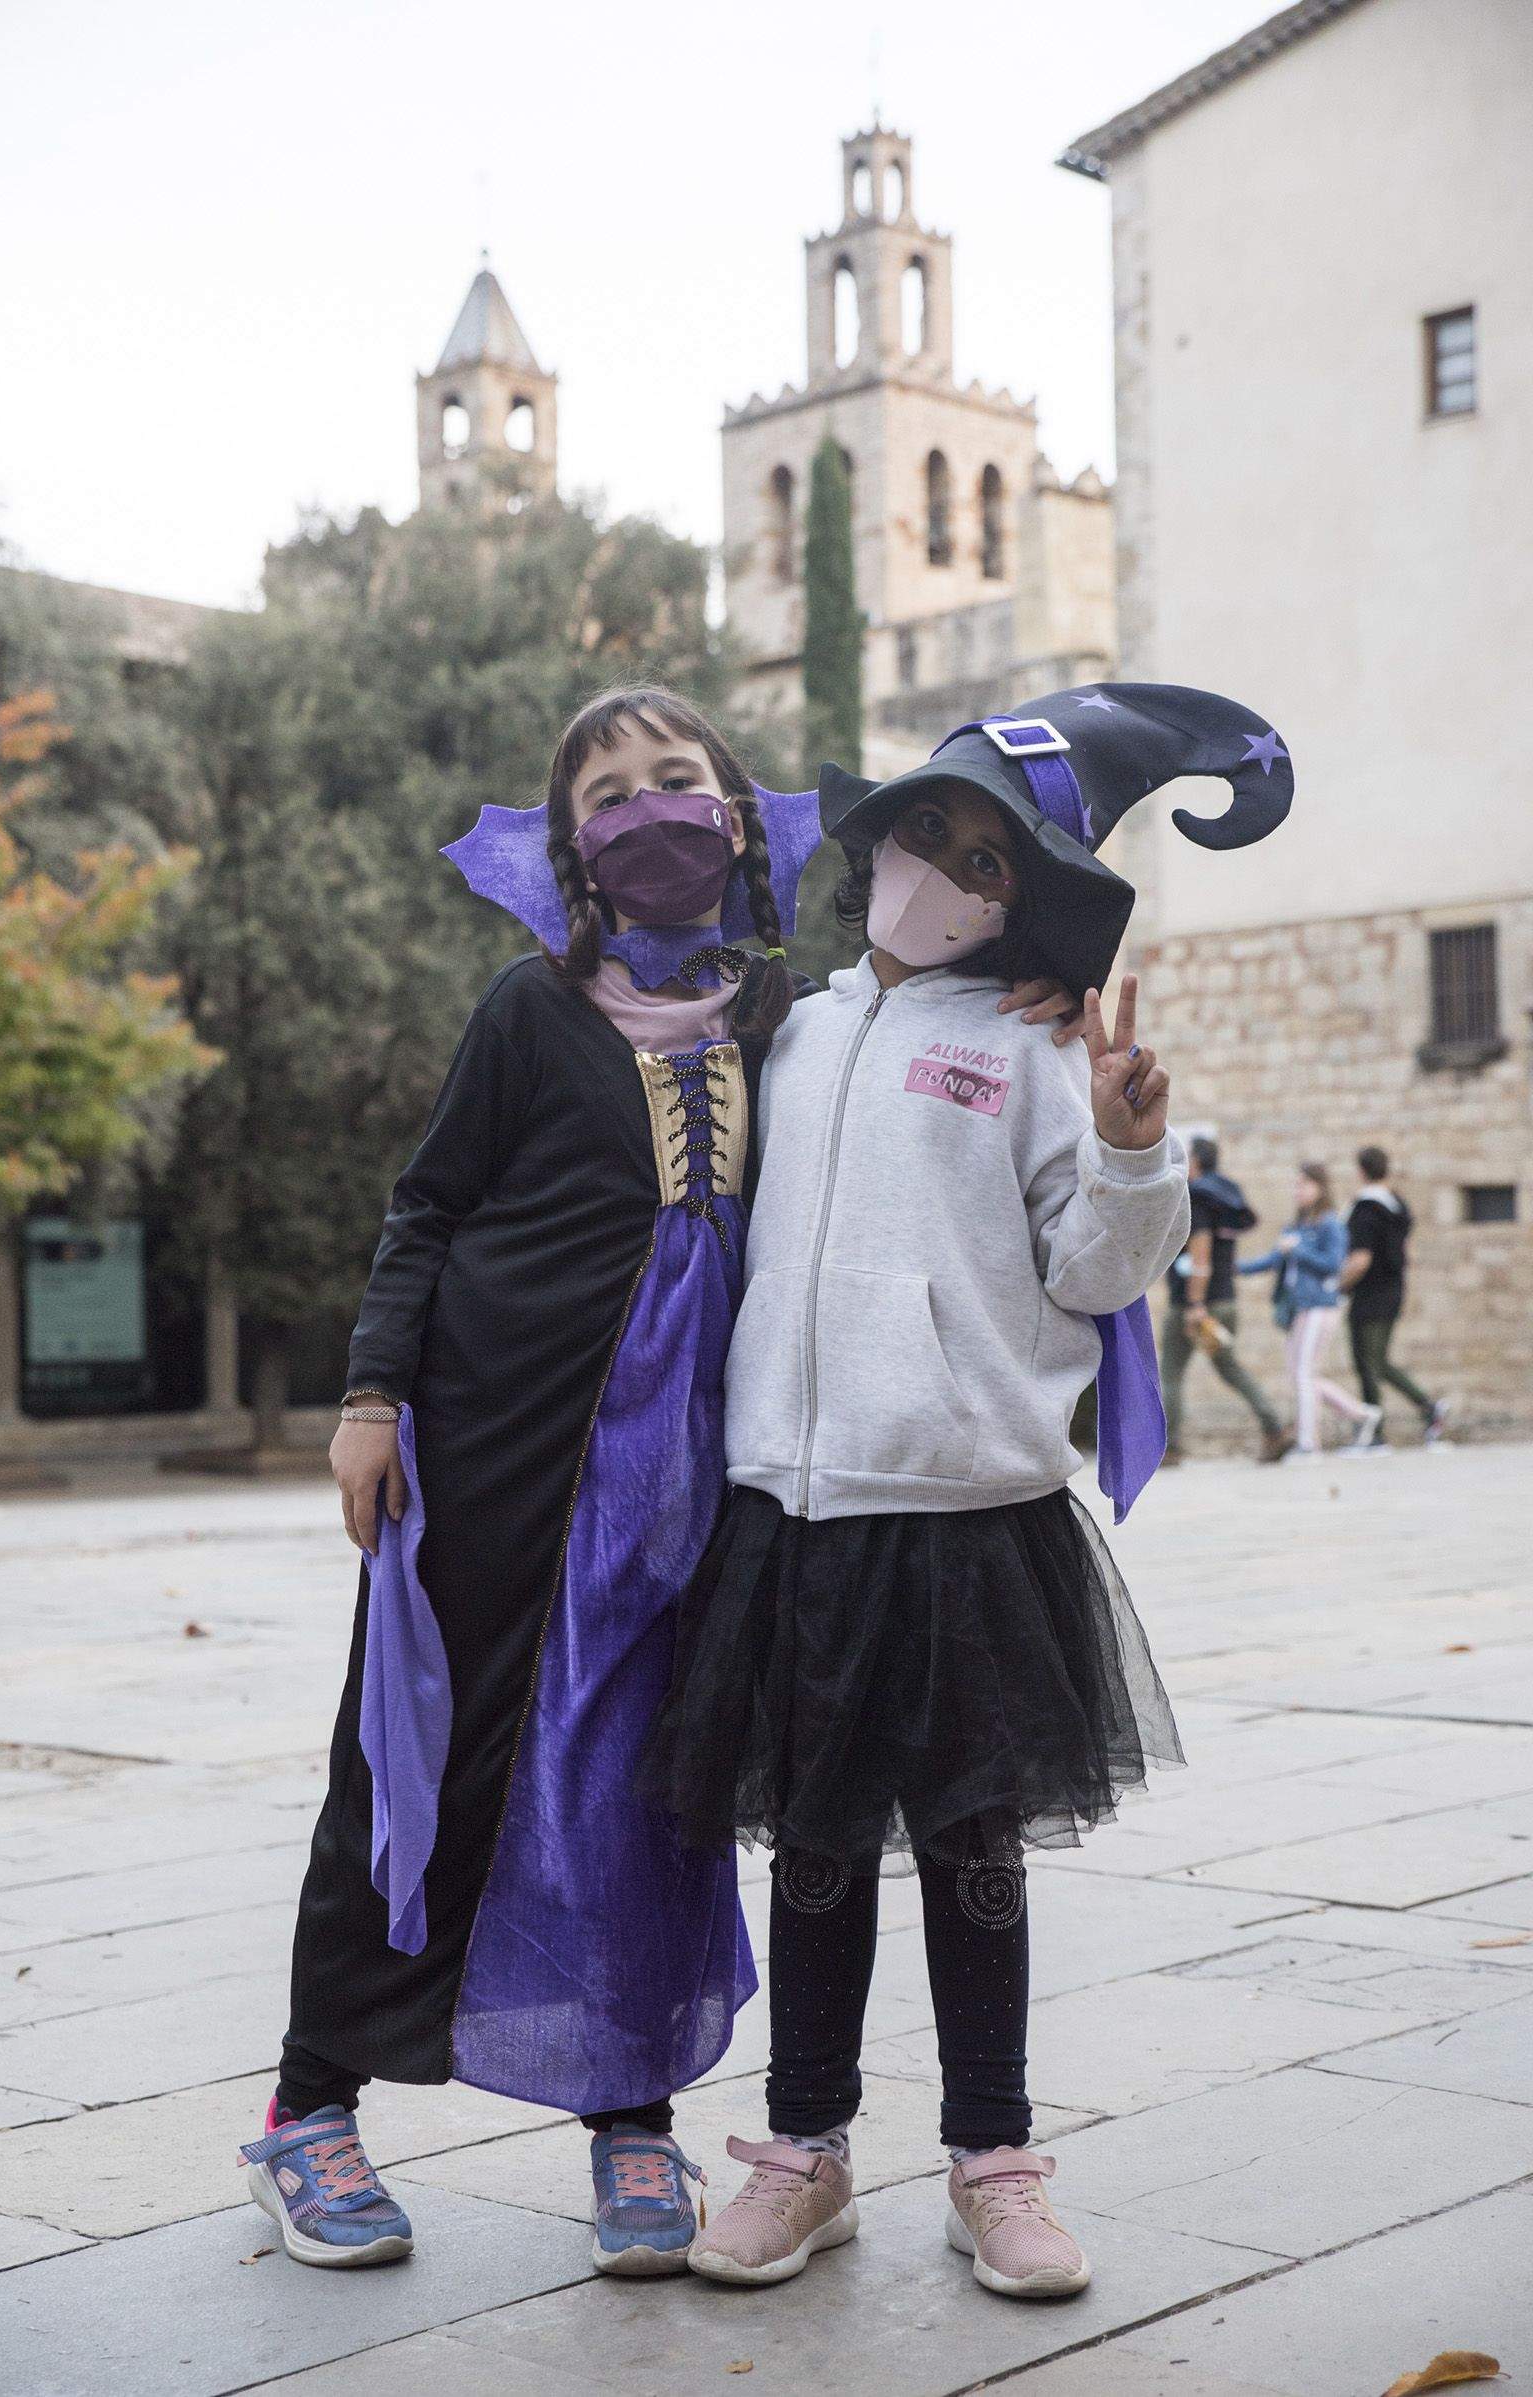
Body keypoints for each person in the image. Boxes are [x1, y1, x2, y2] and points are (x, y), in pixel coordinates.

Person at [238, 685, 1085, 2280]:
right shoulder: (525, 1010)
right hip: (498, 1461)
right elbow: (426, 1210)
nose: (649, 809)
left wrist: (1032, 978)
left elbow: (916, 1056)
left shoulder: (788, 1015)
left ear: (738, 809)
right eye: (610, 793)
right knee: (423, 1769)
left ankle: (634, 2119)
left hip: (692, 1488)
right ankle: (308, 2111)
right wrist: (370, 1399)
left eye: (677, 778)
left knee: (650, 1795)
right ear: (573, 845)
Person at [645, 683, 1293, 2300]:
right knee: (809, 1850)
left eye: (984, 859)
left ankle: (995, 2163)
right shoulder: (788, 1032)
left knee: (975, 1853)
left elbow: (1092, 1267)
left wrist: (1137, 1150)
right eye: (921, 831)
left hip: (965, 1521)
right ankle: (804, 2153)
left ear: (1031, 900)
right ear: (875, 843)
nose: (937, 868)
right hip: (792, 1518)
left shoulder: (1027, 1050)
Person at [1160, 1137, 1292, 1464]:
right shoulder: (1227, 1198)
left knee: (1172, 1372)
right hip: (1225, 1300)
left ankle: (1168, 1447)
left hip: (1195, 1305)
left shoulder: (1202, 1199)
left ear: (1198, 1162)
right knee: (1230, 1368)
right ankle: (1274, 1427)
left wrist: (1194, 1304)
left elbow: (1200, 1256)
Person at [1239, 1164, 1375, 1455]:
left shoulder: (1329, 1224)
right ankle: (1362, 1415)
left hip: (1321, 1305)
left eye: (1304, 1185)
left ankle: (1308, 1443)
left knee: (1303, 1373)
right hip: (1299, 1308)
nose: (1298, 1191)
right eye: (1296, 1185)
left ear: (1320, 1188)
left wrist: (1298, 1250)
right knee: (1302, 1375)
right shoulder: (1297, 1226)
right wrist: (1232, 1269)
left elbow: (1334, 1264)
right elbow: (1273, 1259)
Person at [1342, 1146, 1450, 1450]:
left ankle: (1375, 1432)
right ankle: (1427, 1408)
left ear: (1361, 1171)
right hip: (1393, 1290)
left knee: (1368, 1363)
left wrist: (1336, 1287)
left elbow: (1360, 1259)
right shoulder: (1396, 1205)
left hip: (1370, 1294)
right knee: (1378, 1360)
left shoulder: (1365, 1209)